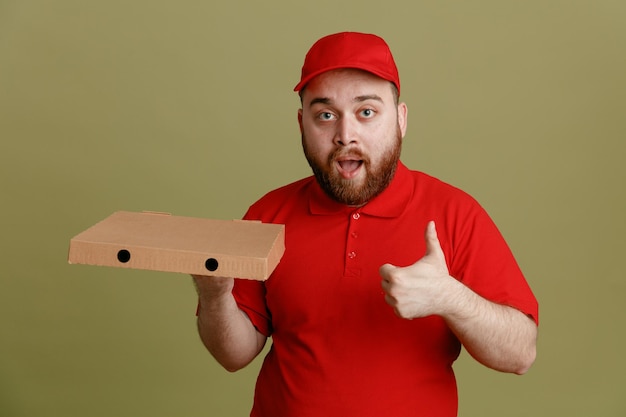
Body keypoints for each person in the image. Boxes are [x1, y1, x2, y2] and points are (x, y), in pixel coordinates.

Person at [192, 31, 538, 417]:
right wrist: (215, 294)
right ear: (301, 124)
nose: (345, 135)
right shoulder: (267, 214)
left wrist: (449, 298)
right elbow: (234, 355)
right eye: (325, 115)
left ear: (401, 120)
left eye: (366, 112)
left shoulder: (454, 212)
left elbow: (520, 353)